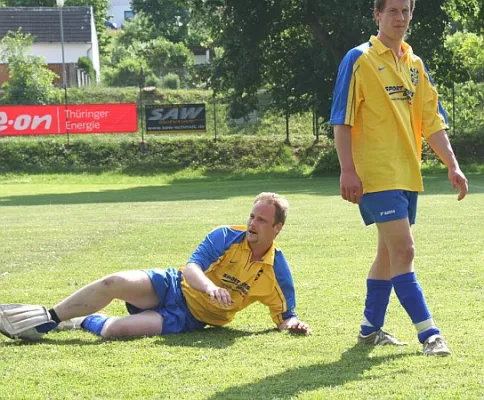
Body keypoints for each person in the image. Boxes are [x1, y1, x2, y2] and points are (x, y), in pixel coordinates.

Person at [330, 0, 468, 356]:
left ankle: (369, 330)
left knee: (389, 255)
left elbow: (432, 122)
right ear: (377, 15)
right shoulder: (358, 59)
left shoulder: (415, 64)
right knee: (404, 250)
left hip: (408, 174)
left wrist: (452, 165)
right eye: (392, 11)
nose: (401, 18)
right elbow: (341, 119)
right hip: (374, 176)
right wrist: (347, 169)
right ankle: (430, 335)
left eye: (406, 10)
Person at [0, 192, 311, 340]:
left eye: (261, 220)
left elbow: (284, 315)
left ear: (277, 228)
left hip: (190, 319)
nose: (252, 223)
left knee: (115, 331)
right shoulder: (226, 236)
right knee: (114, 282)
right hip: (174, 284)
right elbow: (192, 268)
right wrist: (211, 286)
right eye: (251, 216)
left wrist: (292, 324)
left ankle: (83, 320)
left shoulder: (275, 271)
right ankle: (49, 318)